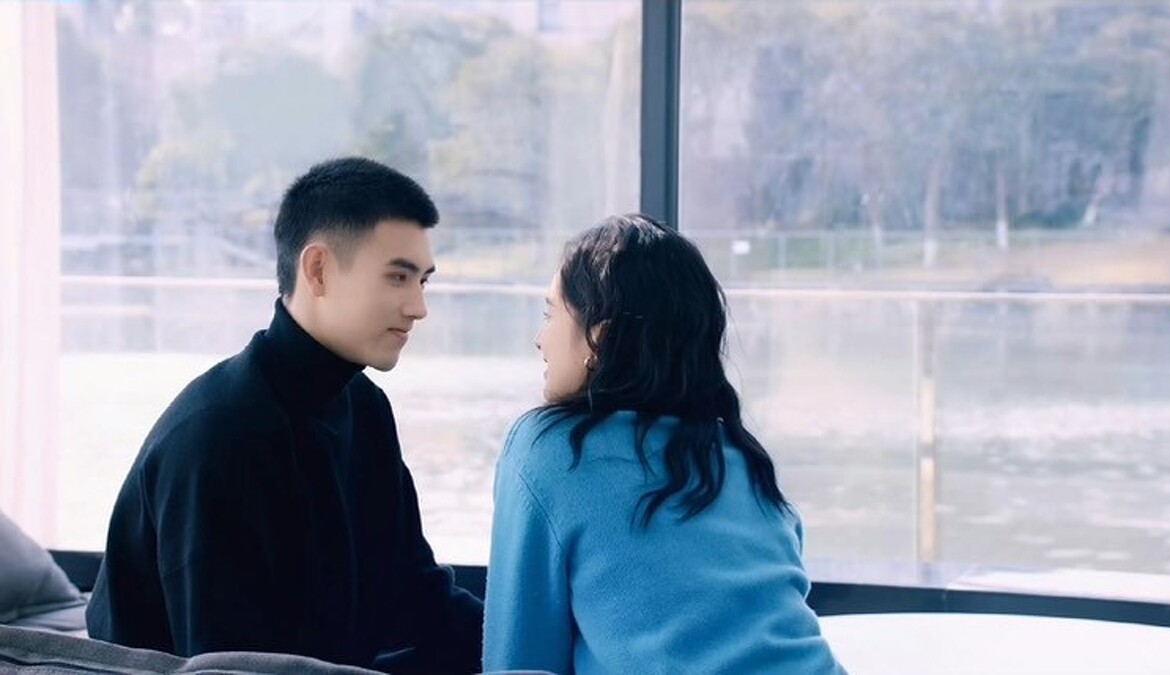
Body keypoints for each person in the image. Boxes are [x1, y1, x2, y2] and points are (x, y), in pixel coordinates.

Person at [86, 157, 483, 674]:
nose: (417, 307)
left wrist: (539, 646)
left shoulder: (363, 405)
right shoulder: (218, 437)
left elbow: (413, 590)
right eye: (397, 277)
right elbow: (225, 664)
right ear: (317, 269)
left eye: (422, 282)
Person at [483, 214, 846, 675]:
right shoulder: (742, 458)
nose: (540, 339)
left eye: (550, 314)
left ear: (599, 337)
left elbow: (518, 659)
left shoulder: (548, 449)